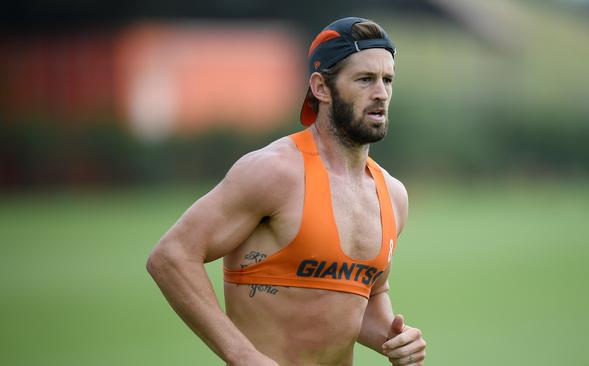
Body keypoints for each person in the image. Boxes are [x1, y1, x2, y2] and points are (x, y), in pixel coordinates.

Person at [146, 17, 426, 366]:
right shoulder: (273, 172)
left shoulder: (393, 195)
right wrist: (242, 355)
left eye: (387, 80)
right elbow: (171, 257)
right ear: (321, 88)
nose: (381, 93)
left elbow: (362, 297)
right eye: (365, 79)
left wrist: (394, 339)